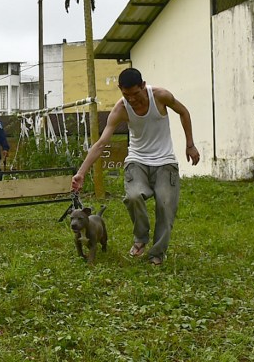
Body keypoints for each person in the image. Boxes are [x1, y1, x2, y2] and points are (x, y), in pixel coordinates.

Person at [71, 68, 200, 266]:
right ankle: (141, 238)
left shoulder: (161, 96)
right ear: (120, 90)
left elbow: (184, 112)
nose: (132, 99)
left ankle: (157, 253)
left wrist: (190, 144)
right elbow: (101, 143)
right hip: (137, 160)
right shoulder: (121, 109)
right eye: (126, 95)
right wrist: (81, 173)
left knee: (165, 206)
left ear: (143, 85)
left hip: (165, 161)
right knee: (132, 197)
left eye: (135, 94)